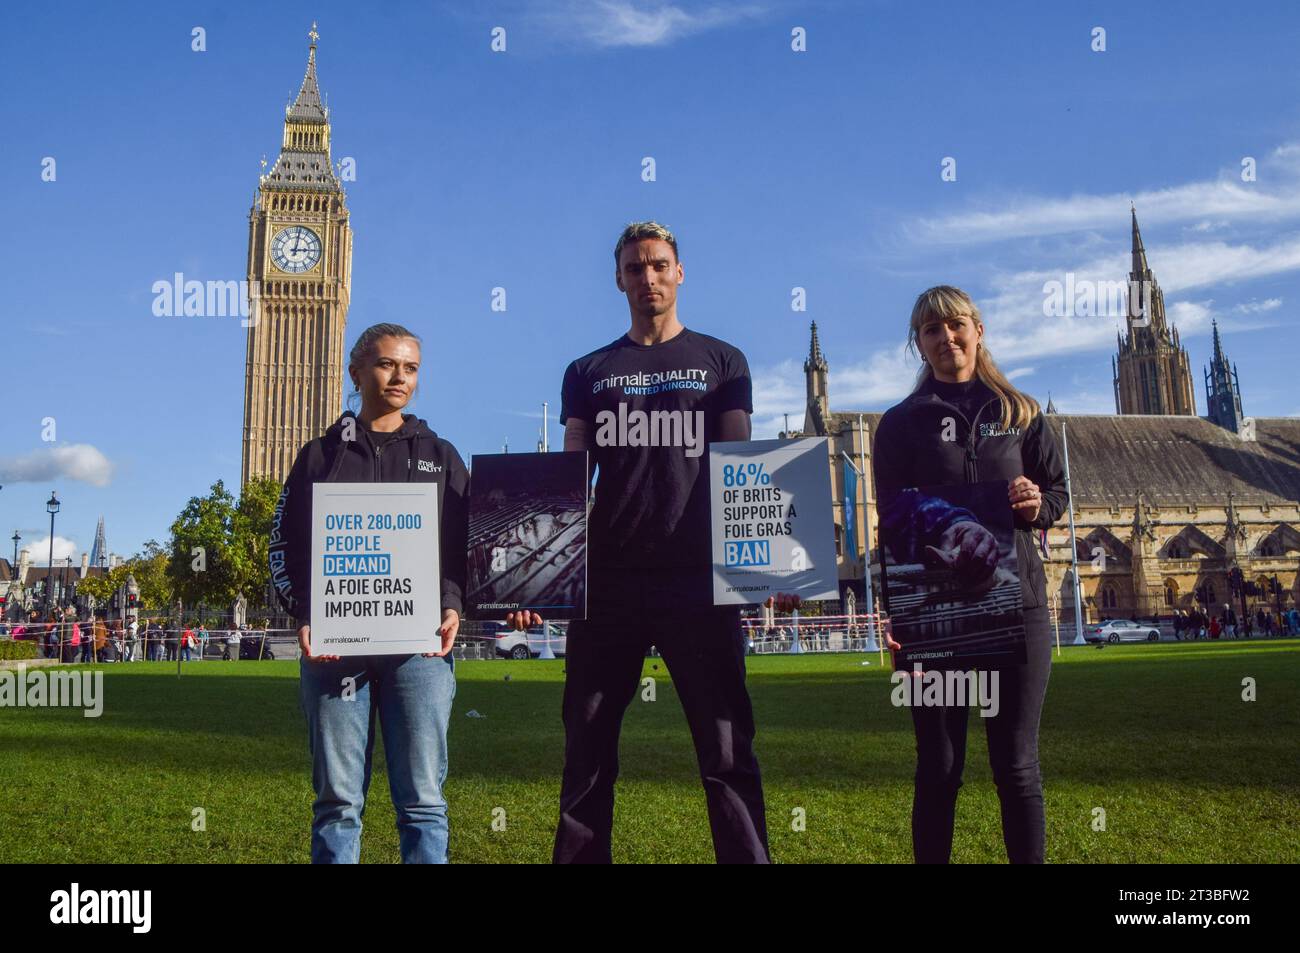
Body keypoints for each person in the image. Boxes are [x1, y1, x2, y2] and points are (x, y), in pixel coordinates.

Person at [545, 221, 770, 864]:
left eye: (660, 265)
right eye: (636, 267)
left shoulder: (723, 362)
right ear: (618, 279)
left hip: (699, 579)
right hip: (608, 580)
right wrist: (540, 580)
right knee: (586, 747)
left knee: (727, 749)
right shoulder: (587, 371)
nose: (649, 277)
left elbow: (742, 466)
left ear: (679, 272)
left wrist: (770, 570)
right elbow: (570, 477)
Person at [872, 285, 1067, 864]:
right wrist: (893, 610)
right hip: (933, 618)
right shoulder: (900, 425)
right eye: (931, 330)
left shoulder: (1021, 413)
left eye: (955, 325)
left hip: (1019, 606)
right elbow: (893, 524)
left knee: (1016, 766)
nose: (946, 338)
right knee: (938, 767)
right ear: (919, 344)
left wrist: (1038, 507)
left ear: (978, 330)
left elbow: (1056, 496)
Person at [271, 322, 468, 864]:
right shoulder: (318, 456)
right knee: (337, 804)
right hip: (337, 651)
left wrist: (452, 602)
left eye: (411, 367)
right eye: (386, 364)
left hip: (420, 652)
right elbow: (283, 546)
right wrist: (306, 612)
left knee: (424, 803)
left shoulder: (442, 454)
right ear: (356, 371)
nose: (399, 376)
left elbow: (464, 547)